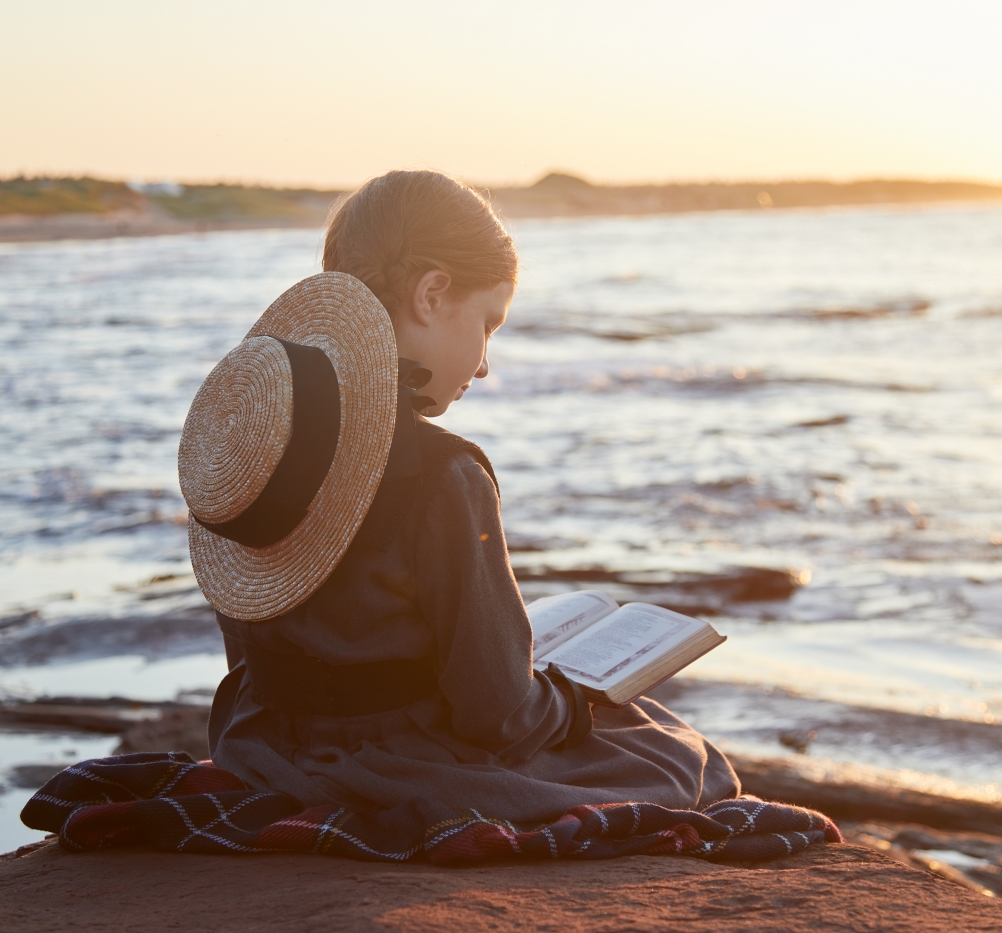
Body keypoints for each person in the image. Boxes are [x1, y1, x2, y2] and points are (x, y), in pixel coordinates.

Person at [185, 170, 739, 824]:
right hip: (408, 766)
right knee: (678, 754)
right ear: (432, 293)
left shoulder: (252, 445)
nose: (483, 364)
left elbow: (249, 649)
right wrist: (569, 700)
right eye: (488, 323)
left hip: (267, 750)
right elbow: (497, 712)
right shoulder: (443, 474)